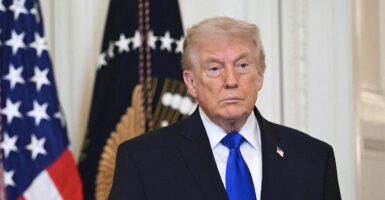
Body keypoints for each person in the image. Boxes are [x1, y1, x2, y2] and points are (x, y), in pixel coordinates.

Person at [108, 17, 341, 200]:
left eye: (242, 65)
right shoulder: (143, 160)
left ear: (259, 76)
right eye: (215, 68)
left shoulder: (314, 159)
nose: (231, 80)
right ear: (191, 83)